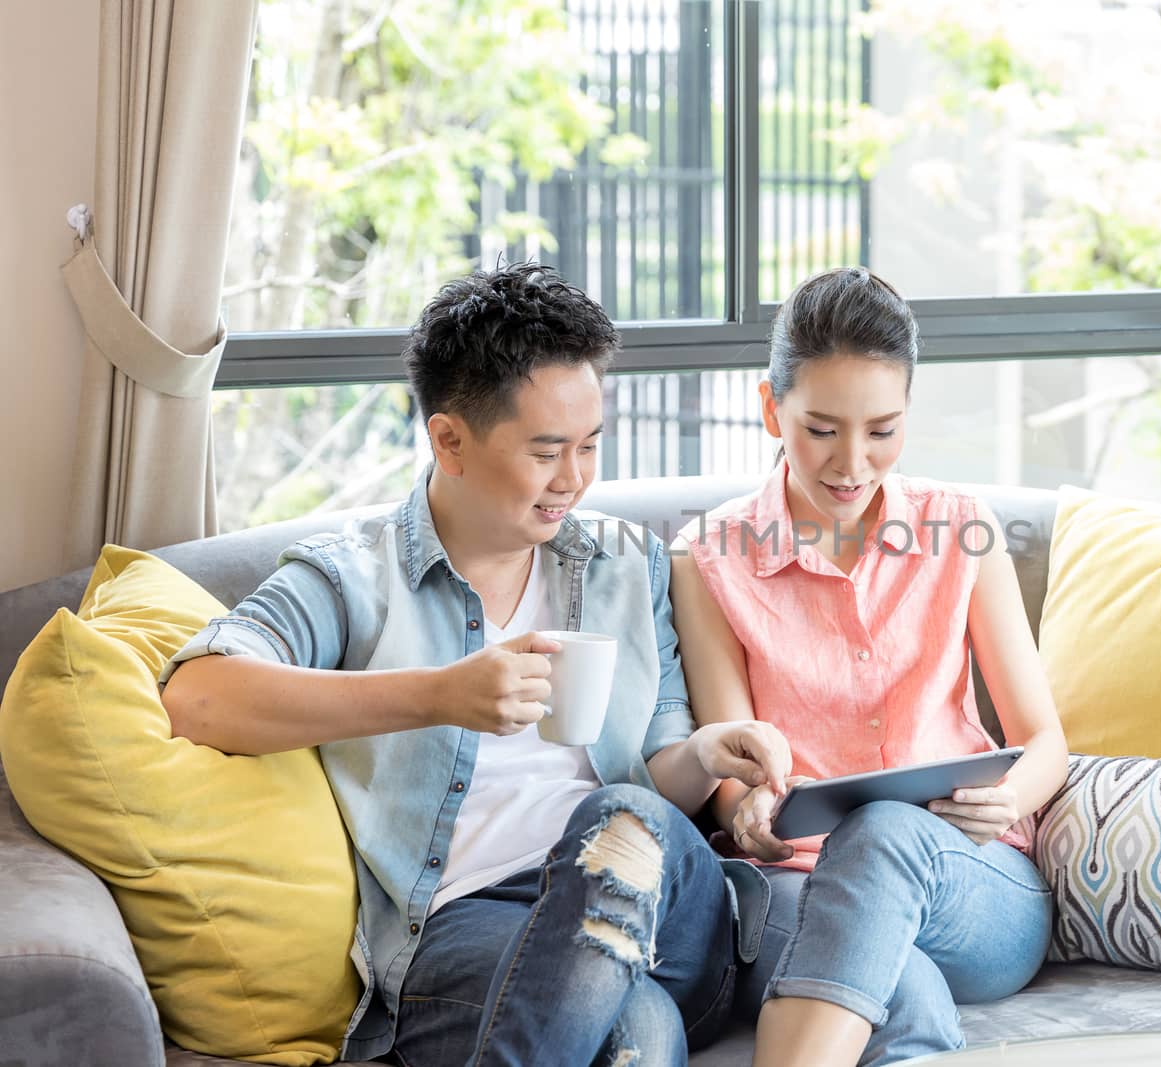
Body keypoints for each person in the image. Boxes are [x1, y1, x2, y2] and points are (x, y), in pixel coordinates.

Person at [160, 262, 788, 1067]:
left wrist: (706, 751)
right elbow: (197, 697)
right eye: (546, 451)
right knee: (638, 1034)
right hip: (468, 924)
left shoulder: (627, 567)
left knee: (623, 815)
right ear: (449, 440)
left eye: (591, 446)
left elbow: (661, 772)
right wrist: (439, 695)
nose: (575, 480)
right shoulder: (354, 577)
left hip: (665, 908)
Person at [669, 266, 1070, 1066]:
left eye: (882, 430)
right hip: (798, 886)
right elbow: (731, 767)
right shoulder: (708, 556)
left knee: (886, 830)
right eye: (821, 428)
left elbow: (1044, 740)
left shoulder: (961, 529)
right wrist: (746, 811)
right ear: (769, 407)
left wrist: (1006, 798)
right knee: (904, 990)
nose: (852, 463)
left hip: (973, 881)